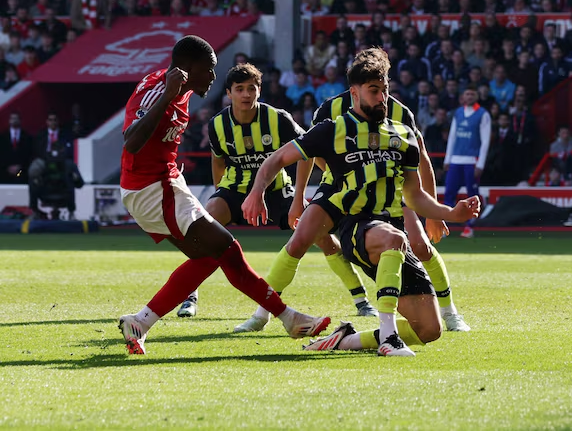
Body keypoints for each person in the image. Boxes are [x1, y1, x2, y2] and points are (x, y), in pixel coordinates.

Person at [241, 47, 480, 356]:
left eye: (385, 90)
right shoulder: (332, 127)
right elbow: (279, 158)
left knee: (429, 330)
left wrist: (451, 212)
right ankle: (387, 336)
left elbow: (415, 194)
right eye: (374, 91)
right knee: (311, 240)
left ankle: (346, 340)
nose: (382, 97)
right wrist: (259, 192)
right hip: (355, 224)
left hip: (391, 226)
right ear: (354, 92)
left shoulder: (403, 133)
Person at [116, 35, 329, 355]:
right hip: (152, 189)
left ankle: (141, 322)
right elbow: (131, 142)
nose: (214, 78)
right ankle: (289, 317)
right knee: (226, 248)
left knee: (214, 255)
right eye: (209, 70)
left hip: (164, 183)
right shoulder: (162, 90)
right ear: (187, 68)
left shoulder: (181, 89)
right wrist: (167, 97)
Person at [175, 63, 350, 318]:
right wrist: (219, 193)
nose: (246, 94)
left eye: (251, 88)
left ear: (259, 90)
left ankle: (360, 298)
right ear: (229, 93)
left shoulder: (278, 118)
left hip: (278, 190)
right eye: (240, 89)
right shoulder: (217, 125)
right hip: (235, 190)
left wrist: (299, 199)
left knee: (320, 235)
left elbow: (306, 153)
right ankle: (189, 296)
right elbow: (218, 161)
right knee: (204, 229)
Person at [443, 86, 491, 238]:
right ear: (463, 96)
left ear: (477, 96)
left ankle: (469, 227)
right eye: (467, 94)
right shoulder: (458, 113)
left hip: (472, 161)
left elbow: (485, 141)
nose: (469, 97)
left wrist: (481, 164)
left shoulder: (483, 114)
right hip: (456, 160)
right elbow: (452, 137)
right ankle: (444, 226)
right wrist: (447, 158)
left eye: (472, 94)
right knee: (449, 192)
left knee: (472, 195)